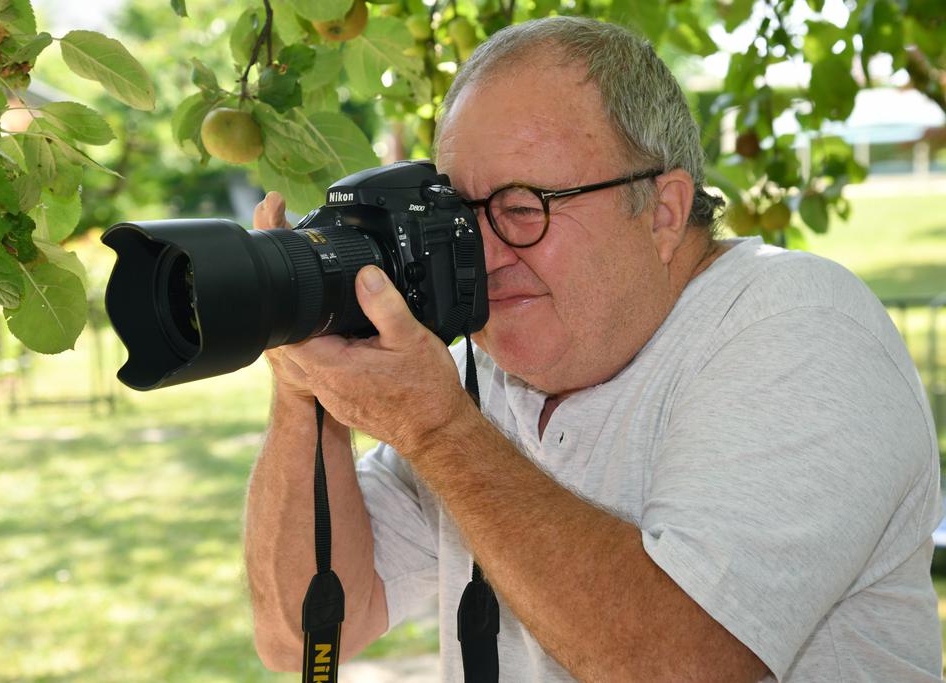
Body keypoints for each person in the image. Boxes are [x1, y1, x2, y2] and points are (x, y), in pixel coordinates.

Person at [243, 16, 943, 682]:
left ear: (663, 211)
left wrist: (437, 428)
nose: (481, 254)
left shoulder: (802, 330)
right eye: (457, 216)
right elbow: (298, 631)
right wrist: (305, 382)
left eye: (522, 208)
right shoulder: (482, 373)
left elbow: (682, 663)